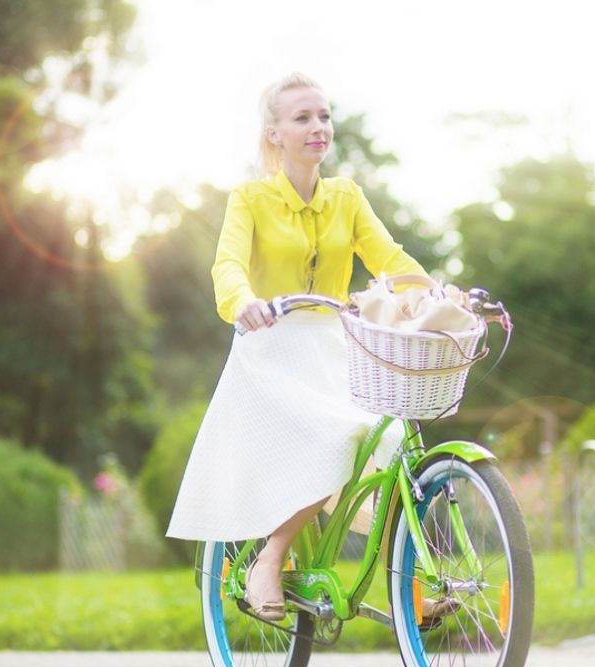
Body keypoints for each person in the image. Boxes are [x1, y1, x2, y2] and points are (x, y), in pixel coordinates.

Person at [166, 73, 426, 620]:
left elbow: (391, 259)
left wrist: (431, 296)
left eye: (324, 117)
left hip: (336, 349)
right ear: (274, 134)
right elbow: (228, 265)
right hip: (272, 349)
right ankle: (270, 559)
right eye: (302, 118)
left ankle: (418, 583)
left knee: (396, 436)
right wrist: (242, 302)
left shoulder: (346, 197)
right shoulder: (251, 199)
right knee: (336, 438)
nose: (317, 128)